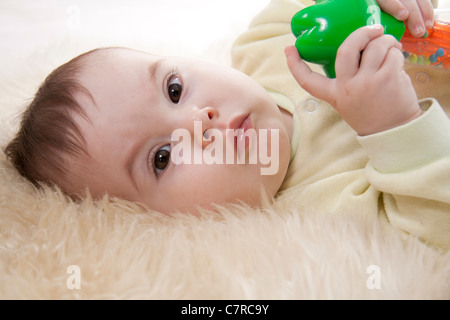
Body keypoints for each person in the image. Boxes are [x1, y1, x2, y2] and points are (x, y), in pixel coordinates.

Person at [4, 0, 450, 250]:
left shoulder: (270, 41)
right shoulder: (323, 220)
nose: (199, 122)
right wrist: (392, 126)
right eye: (162, 158)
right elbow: (432, 230)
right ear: (163, 225)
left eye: (175, 89)